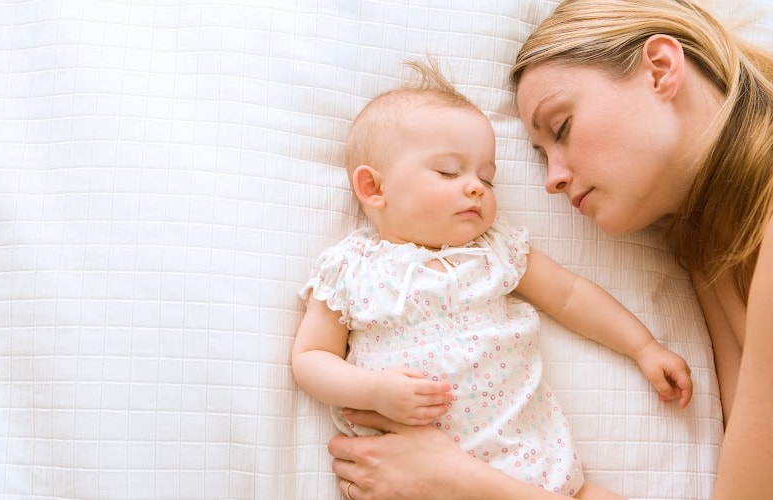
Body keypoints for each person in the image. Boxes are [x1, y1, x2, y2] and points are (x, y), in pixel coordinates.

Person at [324, 1, 773, 499]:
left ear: (661, 69)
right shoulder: (716, 263)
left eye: (561, 128)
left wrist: (456, 480)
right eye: (540, 155)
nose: (552, 180)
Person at [292, 60, 693, 499]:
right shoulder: (352, 267)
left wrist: (643, 347)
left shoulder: (494, 249)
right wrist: (373, 390)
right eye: (449, 171)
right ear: (373, 189)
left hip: (531, 464)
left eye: (487, 177)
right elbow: (311, 357)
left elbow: (570, 295)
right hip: (405, 471)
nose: (476, 187)